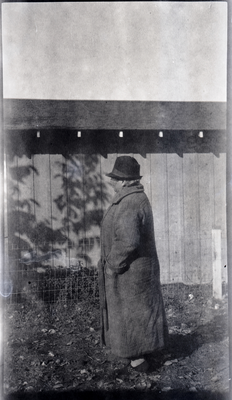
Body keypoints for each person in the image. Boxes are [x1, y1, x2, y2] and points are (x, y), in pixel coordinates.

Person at [98, 156, 168, 372]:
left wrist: (112, 265)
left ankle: (138, 358)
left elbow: (128, 240)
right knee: (137, 312)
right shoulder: (130, 198)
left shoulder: (130, 202)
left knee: (132, 313)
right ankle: (141, 350)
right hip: (134, 272)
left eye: (115, 179)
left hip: (130, 272)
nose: (111, 182)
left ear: (125, 181)